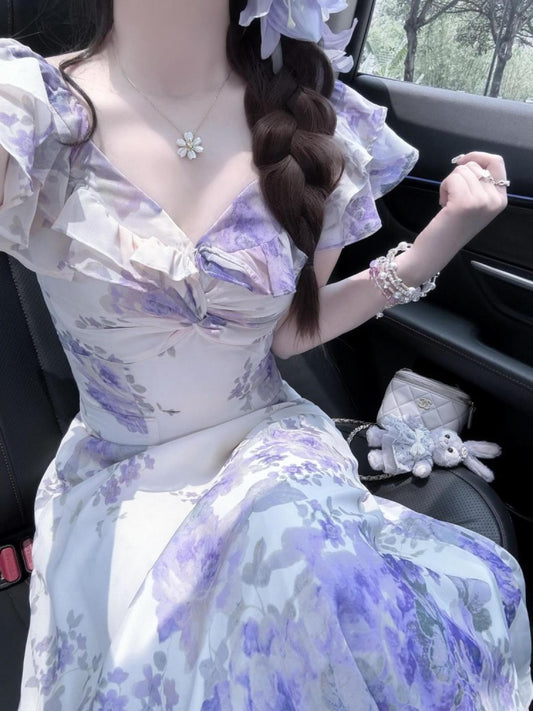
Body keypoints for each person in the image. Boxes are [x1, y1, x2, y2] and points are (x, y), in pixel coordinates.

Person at [0, 0, 531, 708]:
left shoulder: (315, 124)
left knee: (297, 553)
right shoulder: (29, 113)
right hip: (125, 473)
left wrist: (442, 237)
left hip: (267, 442)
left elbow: (289, 333)